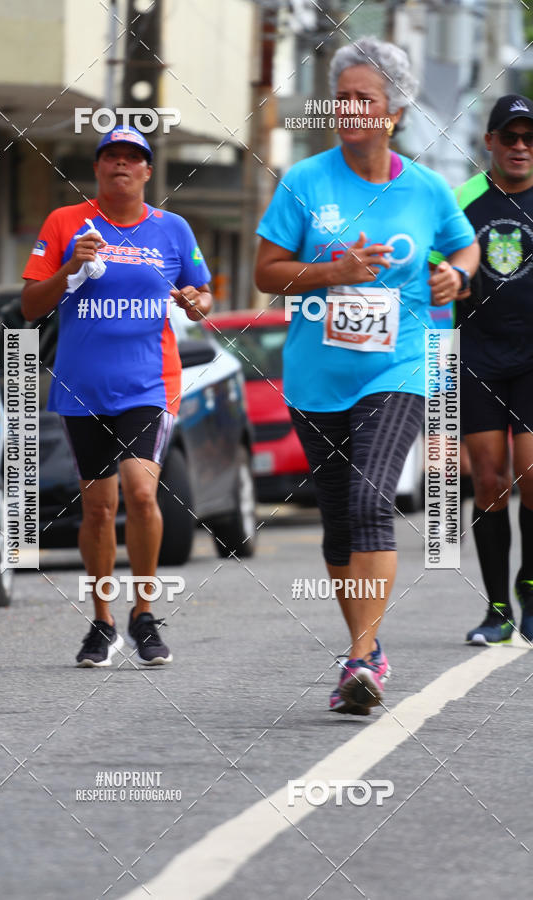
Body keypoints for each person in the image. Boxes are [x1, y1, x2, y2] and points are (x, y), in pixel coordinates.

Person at [254, 37, 479, 714]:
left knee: (369, 499)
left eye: (365, 99)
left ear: (396, 111)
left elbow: (463, 244)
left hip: (399, 364)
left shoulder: (426, 187)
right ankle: (368, 649)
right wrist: (332, 272)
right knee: (337, 523)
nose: (350, 109)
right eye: (342, 97)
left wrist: (456, 274)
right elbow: (266, 272)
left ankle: (360, 658)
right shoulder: (305, 182)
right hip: (316, 377)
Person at [21, 127, 212, 667]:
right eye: (111, 157)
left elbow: (202, 297)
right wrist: (69, 268)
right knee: (99, 509)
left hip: (149, 384)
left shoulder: (172, 229)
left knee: (141, 493)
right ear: (99, 168)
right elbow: (32, 306)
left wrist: (197, 300)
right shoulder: (65, 224)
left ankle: (145, 615)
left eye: (133, 159)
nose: (121, 166)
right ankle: (103, 623)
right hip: (83, 387)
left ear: (148, 172)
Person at [453, 95, 533, 646]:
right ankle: (497, 608)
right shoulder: (460, 202)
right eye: (510, 137)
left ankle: (531, 593)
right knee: (488, 482)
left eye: (530, 138)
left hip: (532, 358)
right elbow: (437, 276)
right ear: (490, 142)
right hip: (477, 358)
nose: (521, 147)